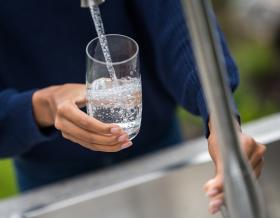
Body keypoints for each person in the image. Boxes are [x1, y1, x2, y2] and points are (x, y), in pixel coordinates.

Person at [0, 0, 266, 214]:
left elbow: (182, 24)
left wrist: (221, 122)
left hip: (158, 149)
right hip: (50, 179)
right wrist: (41, 106)